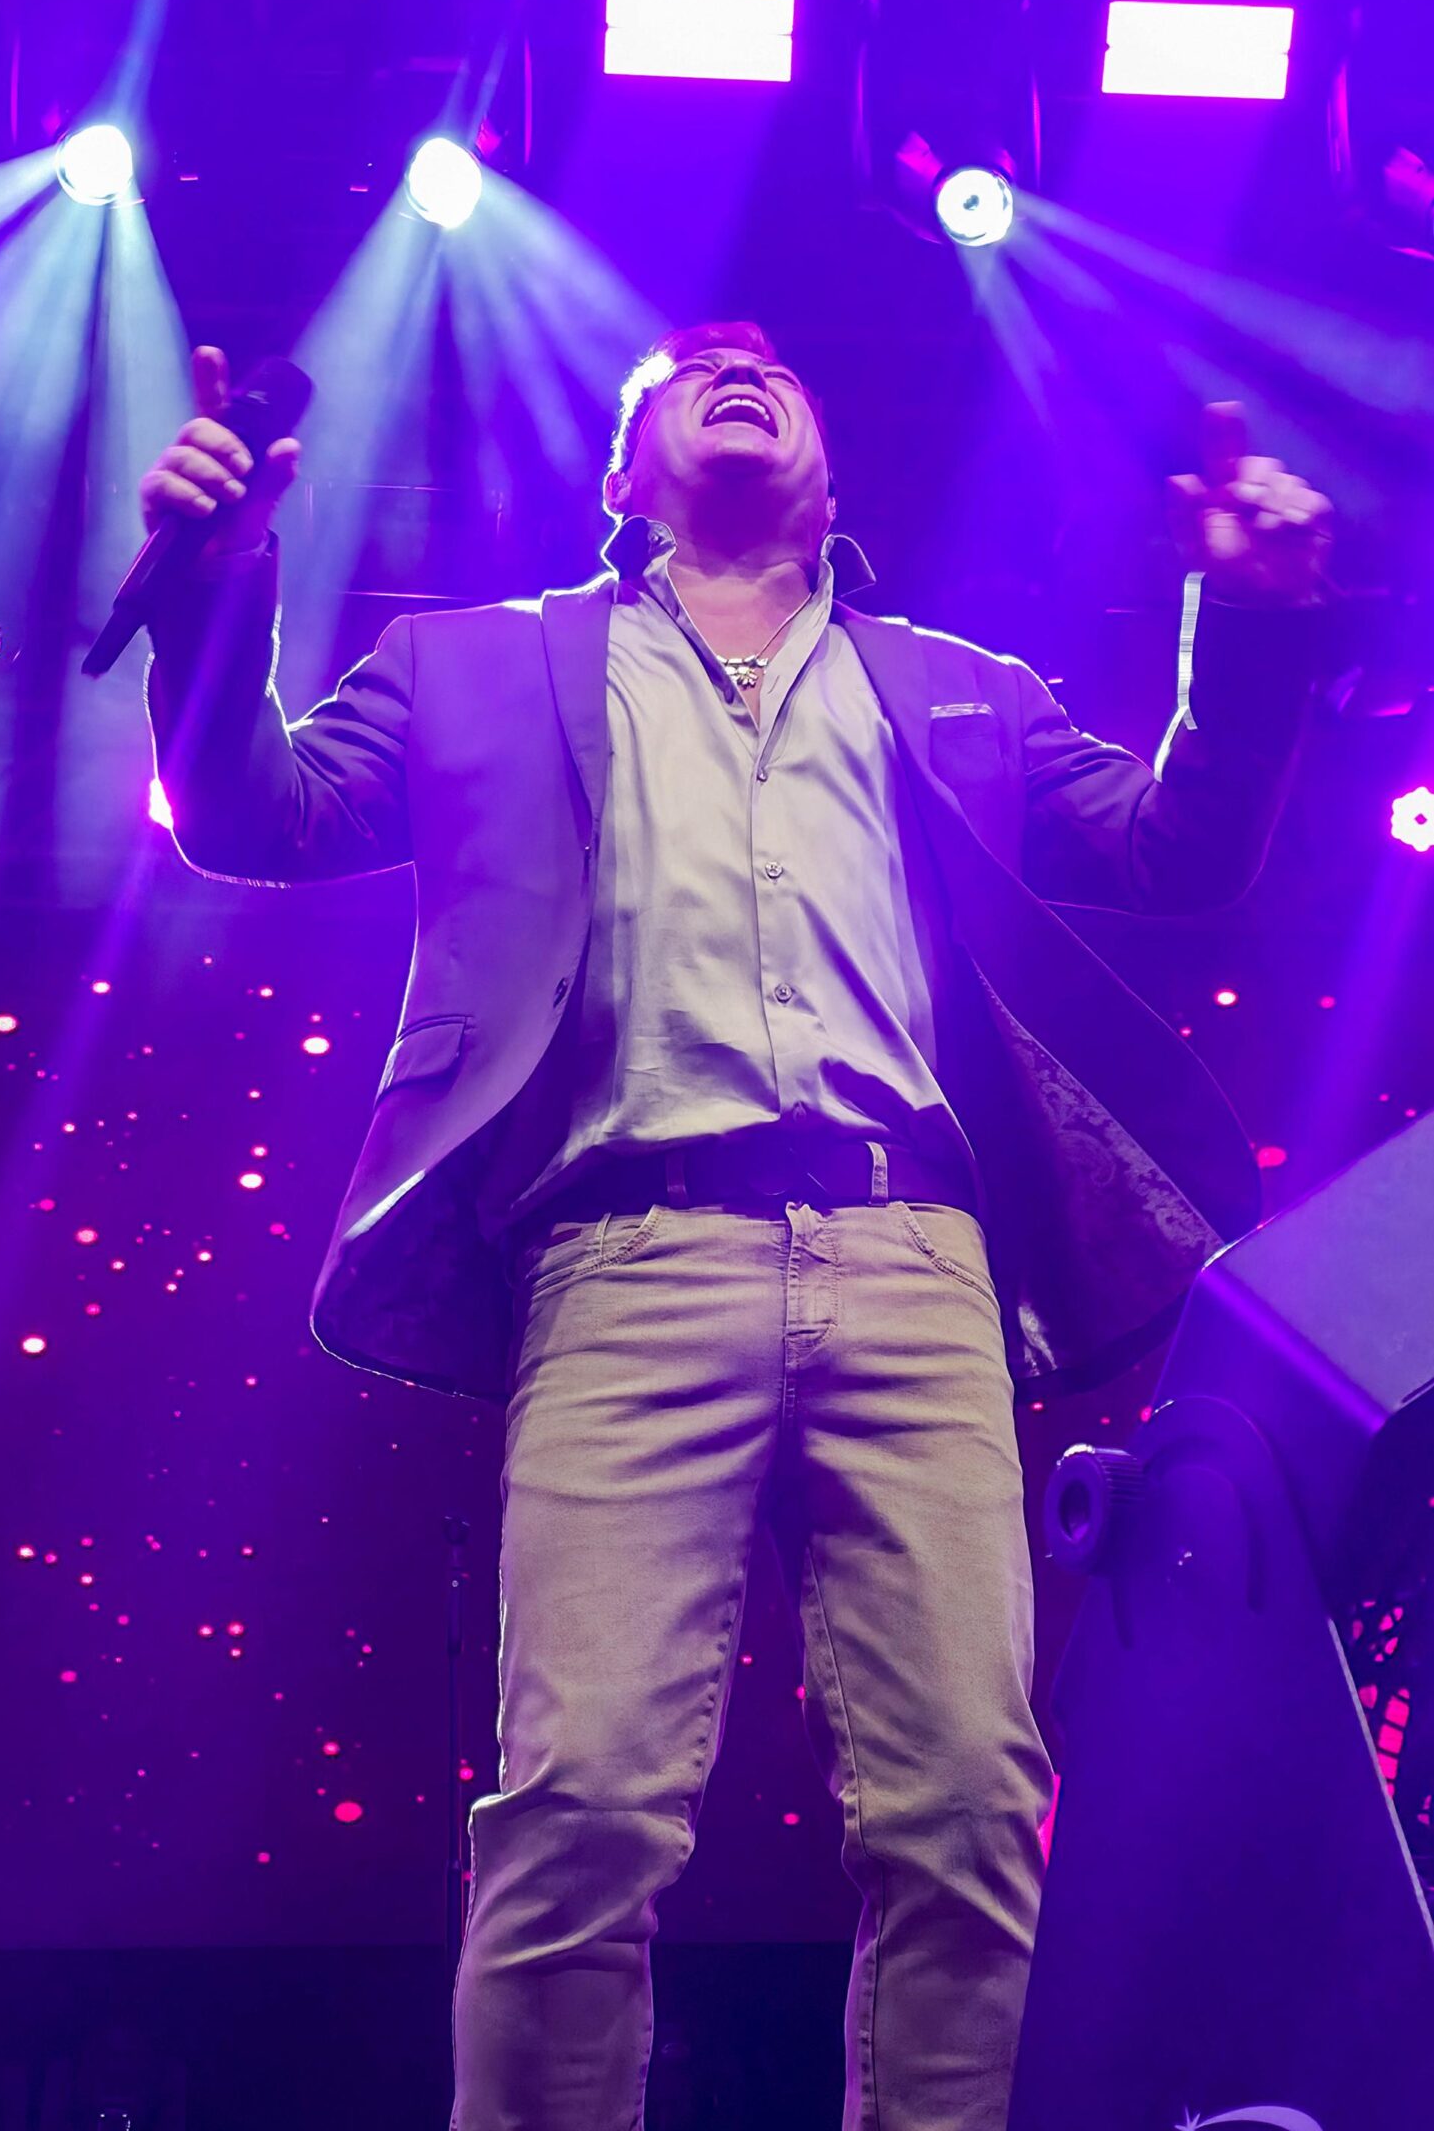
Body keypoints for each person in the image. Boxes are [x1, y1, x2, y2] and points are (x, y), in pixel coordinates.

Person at [139, 323, 1331, 2131]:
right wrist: (218, 586)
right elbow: (252, 814)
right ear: (625, 478)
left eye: (775, 363)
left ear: (830, 477)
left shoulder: (959, 689)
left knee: (967, 1808)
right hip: (623, 1262)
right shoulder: (470, 664)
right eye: (686, 368)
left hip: (915, 1263)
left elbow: (1181, 851)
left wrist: (1242, 622)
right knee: (579, 1811)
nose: (737, 361)